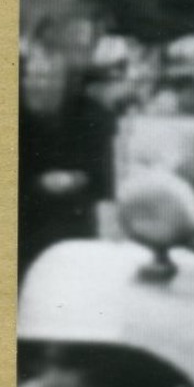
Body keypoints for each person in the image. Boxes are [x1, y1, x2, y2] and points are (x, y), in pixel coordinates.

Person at [19, 30, 117, 280]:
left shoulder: (92, 115)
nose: (40, 84)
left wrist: (77, 180)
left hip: (73, 220)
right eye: (33, 77)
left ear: (65, 81)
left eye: (50, 77)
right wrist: (37, 182)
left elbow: (104, 181)